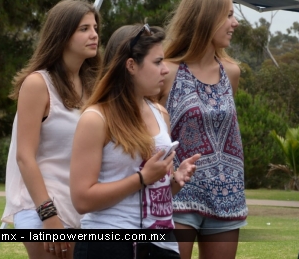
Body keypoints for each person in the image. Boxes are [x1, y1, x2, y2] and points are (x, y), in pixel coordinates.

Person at [70, 24, 201, 259]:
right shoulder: (96, 119)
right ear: (131, 65)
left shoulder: (160, 114)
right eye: (157, 62)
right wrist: (142, 178)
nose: (165, 70)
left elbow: (151, 194)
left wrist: (174, 180)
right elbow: (82, 200)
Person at [2, 0, 100, 259]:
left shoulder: (93, 86)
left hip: (79, 207)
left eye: (95, 28)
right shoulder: (37, 84)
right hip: (42, 208)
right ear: (62, 35)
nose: (94, 35)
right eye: (84, 29)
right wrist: (49, 216)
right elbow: (25, 157)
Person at [159, 0, 247, 259]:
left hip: (227, 196)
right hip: (177, 193)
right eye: (228, 15)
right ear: (206, 19)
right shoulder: (166, 71)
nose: (235, 23)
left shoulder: (231, 72)